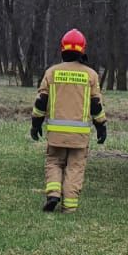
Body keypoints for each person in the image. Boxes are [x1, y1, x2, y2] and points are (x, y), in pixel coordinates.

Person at [30, 28, 107, 212]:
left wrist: (36, 124)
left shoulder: (51, 73)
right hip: (79, 137)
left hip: (56, 134)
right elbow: (96, 105)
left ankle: (53, 194)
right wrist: (101, 127)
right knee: (75, 168)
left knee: (54, 162)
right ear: (83, 50)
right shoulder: (91, 75)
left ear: (62, 48)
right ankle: (69, 207)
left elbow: (41, 102)